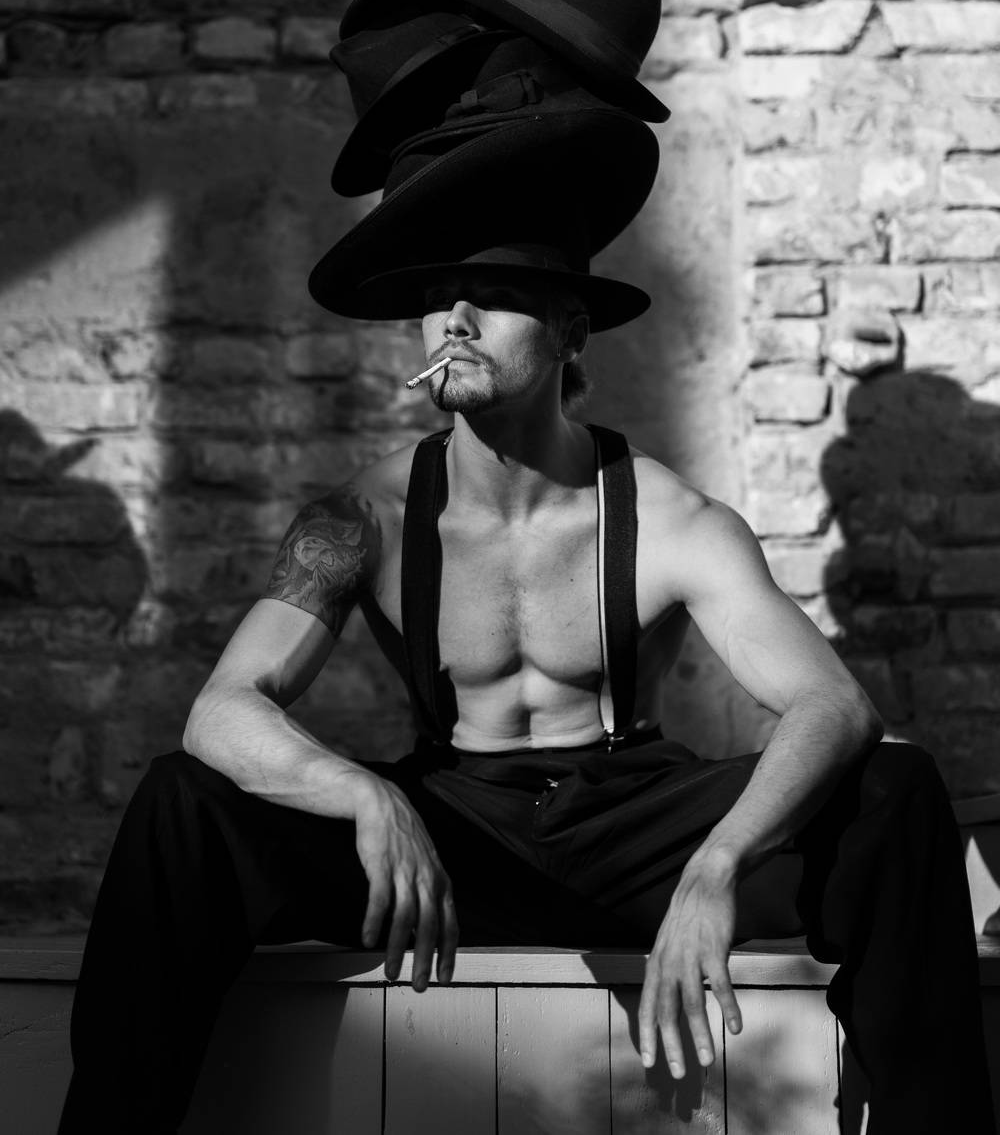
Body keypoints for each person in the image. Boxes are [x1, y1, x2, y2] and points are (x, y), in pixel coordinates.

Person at [58, 243, 993, 1135]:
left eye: (495, 299)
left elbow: (834, 704)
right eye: (438, 300)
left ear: (571, 335)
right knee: (181, 800)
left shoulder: (674, 519)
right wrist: (362, 794)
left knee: (894, 790)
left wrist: (717, 865)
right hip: (454, 845)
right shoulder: (364, 518)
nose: (456, 321)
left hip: (638, 836)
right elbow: (222, 709)